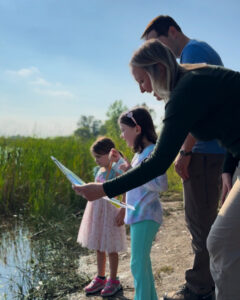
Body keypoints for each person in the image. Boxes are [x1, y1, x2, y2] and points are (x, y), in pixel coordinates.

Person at [73, 39, 240, 300]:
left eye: (142, 81)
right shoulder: (191, 83)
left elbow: (159, 162)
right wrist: (229, 167)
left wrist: (105, 189)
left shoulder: (186, 90)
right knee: (222, 242)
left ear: (159, 69)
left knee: (219, 241)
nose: (142, 90)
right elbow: (232, 120)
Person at [140, 15, 225, 300]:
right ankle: (207, 283)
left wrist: (185, 150)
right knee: (205, 223)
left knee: (201, 224)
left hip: (204, 153)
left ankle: (200, 288)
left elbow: (198, 108)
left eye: (156, 43)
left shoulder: (192, 53)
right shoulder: (198, 50)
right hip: (210, 151)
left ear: (173, 32)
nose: (155, 55)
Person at [110, 106, 168, 300]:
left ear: (137, 129)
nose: (122, 134)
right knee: (142, 263)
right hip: (138, 215)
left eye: (124, 130)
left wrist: (138, 174)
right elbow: (133, 175)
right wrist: (123, 165)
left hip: (147, 215)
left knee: (137, 263)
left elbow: (161, 184)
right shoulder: (140, 154)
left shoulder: (152, 152)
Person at [77, 136, 127, 297]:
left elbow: (127, 189)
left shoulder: (117, 170)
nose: (96, 160)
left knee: (111, 247)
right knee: (99, 245)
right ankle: (100, 277)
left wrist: (123, 210)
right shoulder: (99, 170)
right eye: (95, 157)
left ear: (110, 153)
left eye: (99, 156)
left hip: (111, 211)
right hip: (97, 211)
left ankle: (114, 280)